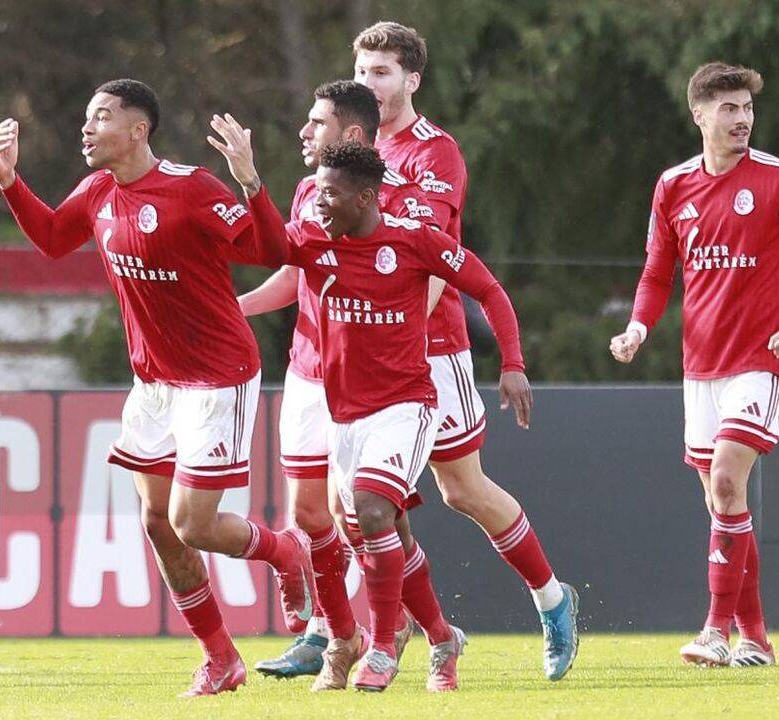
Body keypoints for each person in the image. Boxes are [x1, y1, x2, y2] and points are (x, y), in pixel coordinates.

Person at [0, 79, 314, 697]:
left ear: (138, 130)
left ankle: (285, 552)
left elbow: (275, 248)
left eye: (101, 117)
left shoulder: (191, 189)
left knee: (193, 524)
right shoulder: (98, 191)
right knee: (157, 522)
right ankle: (221, 658)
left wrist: (250, 182)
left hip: (218, 377)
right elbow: (55, 240)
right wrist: (9, 181)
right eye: (87, 116)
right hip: (155, 382)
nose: (87, 128)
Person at [233, 139, 533, 691]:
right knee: (387, 529)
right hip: (345, 417)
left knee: (371, 511)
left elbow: (488, 288)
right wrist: (252, 183)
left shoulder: (415, 241)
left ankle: (380, 649)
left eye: (330, 194)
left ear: (367, 196)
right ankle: (442, 637)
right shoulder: (316, 241)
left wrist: (511, 362)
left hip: (407, 407)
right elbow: (267, 244)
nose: (319, 204)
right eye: (317, 192)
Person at [353, 20, 578, 681]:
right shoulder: (348, 148)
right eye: (362, 71)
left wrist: (402, 336)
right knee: (369, 503)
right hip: (364, 353)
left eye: (383, 72)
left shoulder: (434, 153)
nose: (370, 83)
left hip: (432, 348)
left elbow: (427, 264)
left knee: (462, 491)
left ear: (411, 79)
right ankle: (402, 633)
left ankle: (552, 600)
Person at [609, 62, 779, 667]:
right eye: (729, 109)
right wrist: (637, 327)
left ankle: (713, 629)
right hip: (700, 366)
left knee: (730, 481)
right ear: (699, 114)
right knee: (722, 503)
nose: (742, 119)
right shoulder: (672, 185)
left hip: (761, 359)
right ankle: (756, 639)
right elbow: (658, 273)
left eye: (747, 109)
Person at [235, 79, 439, 688]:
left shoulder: (401, 204)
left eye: (315, 123)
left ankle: (401, 631)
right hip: (307, 371)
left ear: (350, 135)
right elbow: (292, 269)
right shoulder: (308, 192)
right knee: (311, 513)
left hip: (378, 382)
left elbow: (438, 274)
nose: (304, 132)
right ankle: (336, 636)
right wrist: (236, 307)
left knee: (377, 515)